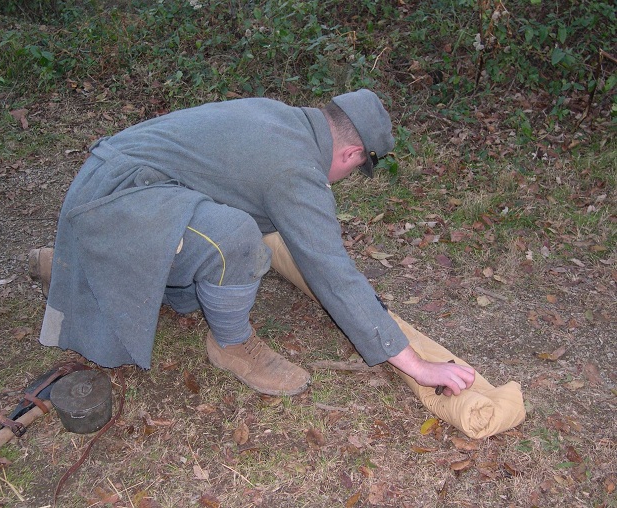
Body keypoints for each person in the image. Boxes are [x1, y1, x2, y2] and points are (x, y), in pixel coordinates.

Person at [32, 89, 475, 398]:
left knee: (221, 238)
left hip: (108, 187)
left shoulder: (278, 116)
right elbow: (331, 270)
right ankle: (232, 346)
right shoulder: (295, 168)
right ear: (352, 154)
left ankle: (88, 268)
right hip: (115, 204)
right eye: (354, 170)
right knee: (236, 236)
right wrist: (418, 366)